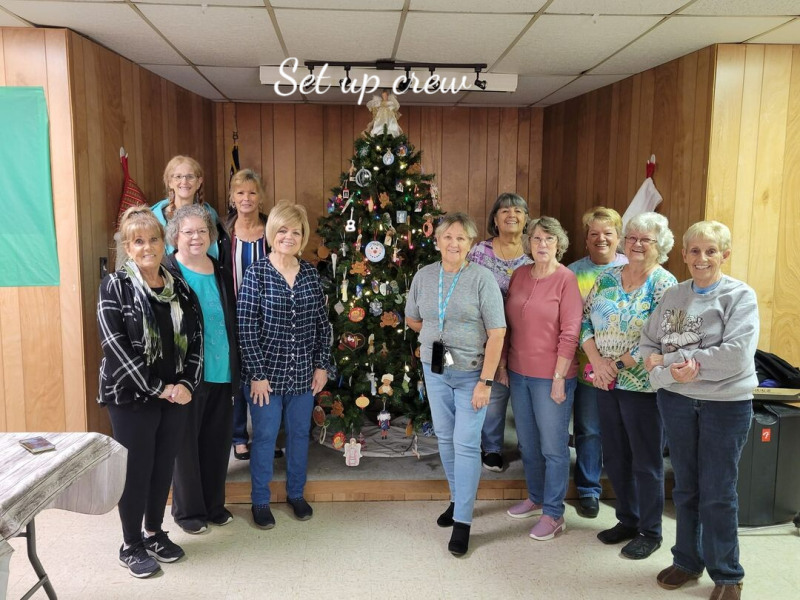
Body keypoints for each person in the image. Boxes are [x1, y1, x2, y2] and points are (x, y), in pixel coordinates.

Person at [640, 221, 758, 600]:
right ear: (684, 254)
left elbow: (736, 356)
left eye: (711, 251)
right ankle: (687, 561)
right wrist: (666, 372)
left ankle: (727, 574)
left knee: (718, 492)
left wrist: (671, 360)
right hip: (676, 401)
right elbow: (647, 344)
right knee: (686, 487)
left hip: (726, 405)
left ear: (725, 254)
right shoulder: (673, 295)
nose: (702, 258)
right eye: (694, 251)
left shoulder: (739, 296)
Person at [97, 206, 203, 578]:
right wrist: (160, 388)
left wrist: (187, 384)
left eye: (153, 239)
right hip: (131, 396)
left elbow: (196, 338)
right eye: (138, 241)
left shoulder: (179, 286)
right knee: (136, 470)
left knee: (162, 467)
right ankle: (130, 544)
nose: (147, 247)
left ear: (164, 243)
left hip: (174, 396)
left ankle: (154, 533)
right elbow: (115, 347)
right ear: (127, 247)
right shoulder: (115, 285)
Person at [405, 213, 506, 557]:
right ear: (437, 241)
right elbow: (412, 318)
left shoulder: (482, 279)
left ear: (471, 244)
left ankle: (463, 521)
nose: (453, 243)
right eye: (448, 236)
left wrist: (486, 383)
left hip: (472, 375)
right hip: (434, 372)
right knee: (446, 439)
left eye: (461, 238)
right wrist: (438, 333)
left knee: (465, 444)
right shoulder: (424, 276)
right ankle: (456, 498)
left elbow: (497, 333)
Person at [580, 212, 677, 560]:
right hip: (604, 382)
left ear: (659, 245)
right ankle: (627, 519)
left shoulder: (666, 285)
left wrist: (615, 365)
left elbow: (663, 338)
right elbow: (584, 321)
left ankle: (650, 531)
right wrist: (598, 363)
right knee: (615, 456)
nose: (636, 244)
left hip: (643, 387)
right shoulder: (607, 277)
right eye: (632, 237)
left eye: (645, 239)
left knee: (645, 461)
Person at [238, 199, 334, 529]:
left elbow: (322, 324)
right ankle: (260, 501)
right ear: (271, 233)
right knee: (265, 438)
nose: (288, 237)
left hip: (303, 375)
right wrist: (257, 374)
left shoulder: (310, 274)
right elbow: (246, 327)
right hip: (265, 378)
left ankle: (296, 494)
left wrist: (322, 365)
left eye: (296, 231)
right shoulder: (257, 273)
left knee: (299, 435)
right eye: (282, 230)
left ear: (303, 236)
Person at [501, 217, 583, 540]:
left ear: (559, 243)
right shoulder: (520, 275)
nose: (542, 244)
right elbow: (507, 325)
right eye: (536, 238)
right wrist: (504, 365)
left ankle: (554, 513)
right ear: (529, 243)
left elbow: (571, 333)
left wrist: (560, 377)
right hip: (519, 372)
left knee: (553, 447)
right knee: (528, 444)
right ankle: (535, 497)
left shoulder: (566, 279)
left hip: (552, 376)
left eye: (549, 238)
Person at [163, 205, 239, 534]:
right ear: (175, 236)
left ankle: (213, 506)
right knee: (186, 448)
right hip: (186, 376)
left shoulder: (220, 269)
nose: (196, 237)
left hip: (222, 370)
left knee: (216, 444)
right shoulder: (168, 271)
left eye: (202, 231)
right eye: (188, 232)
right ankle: (189, 513)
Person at [567, 207, 628, 518]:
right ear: (586, 239)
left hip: (630, 369)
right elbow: (573, 321)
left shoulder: (634, 268)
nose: (601, 239)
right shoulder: (573, 273)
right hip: (587, 367)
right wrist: (597, 361)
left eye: (608, 233)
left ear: (619, 237)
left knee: (624, 430)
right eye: (594, 234)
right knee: (589, 429)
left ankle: (624, 489)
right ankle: (589, 488)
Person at [466, 193, 532, 473]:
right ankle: (492, 447)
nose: (511, 215)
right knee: (493, 392)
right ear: (495, 218)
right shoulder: (479, 252)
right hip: (488, 334)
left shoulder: (534, 249)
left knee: (527, 394)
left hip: (527, 333)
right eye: (504, 210)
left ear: (526, 219)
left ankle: (529, 447)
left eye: (518, 210)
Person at [218, 169, 270, 461]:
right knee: (237, 377)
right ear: (232, 197)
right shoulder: (224, 231)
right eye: (240, 192)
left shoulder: (272, 229)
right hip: (233, 314)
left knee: (267, 374)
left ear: (260, 197)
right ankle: (238, 436)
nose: (246, 198)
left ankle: (266, 436)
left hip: (268, 316)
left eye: (252, 192)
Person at [151, 155, 220, 258]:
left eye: (190, 177)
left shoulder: (211, 214)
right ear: (170, 182)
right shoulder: (154, 217)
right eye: (178, 177)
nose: (184, 182)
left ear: (199, 182)